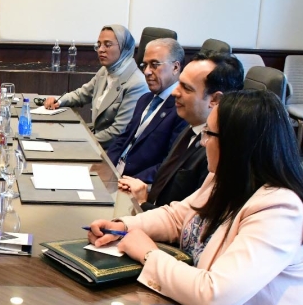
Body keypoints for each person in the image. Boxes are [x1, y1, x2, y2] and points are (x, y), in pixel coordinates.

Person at [86, 90, 303, 305]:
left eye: (209, 134)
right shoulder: (225, 176)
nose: (202, 142)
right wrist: (125, 226)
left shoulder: (280, 208)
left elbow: (214, 295)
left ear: (237, 144)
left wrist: (148, 253)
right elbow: (179, 216)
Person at [119, 53, 243, 210]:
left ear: (215, 100)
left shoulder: (218, 151)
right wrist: (143, 190)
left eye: (186, 88)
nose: (174, 92)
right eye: (179, 84)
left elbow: (193, 217)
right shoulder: (190, 128)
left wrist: (143, 204)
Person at [43, 25, 149, 148]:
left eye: (107, 45)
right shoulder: (105, 71)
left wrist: (81, 142)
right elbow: (82, 94)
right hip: (95, 139)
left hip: (110, 151)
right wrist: (59, 101)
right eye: (98, 45)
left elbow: (117, 133)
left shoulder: (137, 84)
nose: (101, 50)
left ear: (124, 47)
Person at [105, 38, 187, 182]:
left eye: (155, 65)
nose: (147, 72)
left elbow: (170, 163)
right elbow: (123, 139)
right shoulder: (145, 99)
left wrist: (130, 182)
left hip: (137, 182)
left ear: (175, 67)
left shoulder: (182, 108)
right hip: (114, 173)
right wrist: (105, 166)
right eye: (145, 65)